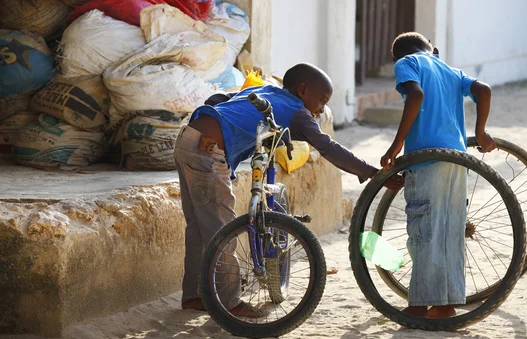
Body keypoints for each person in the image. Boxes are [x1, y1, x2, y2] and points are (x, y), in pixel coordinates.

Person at [175, 62, 403, 316]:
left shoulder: (266, 91)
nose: (320, 110)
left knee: (198, 225)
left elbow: (219, 98)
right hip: (208, 151)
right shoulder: (297, 111)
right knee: (221, 227)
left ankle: (195, 296)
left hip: (189, 138)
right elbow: (327, 147)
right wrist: (371, 172)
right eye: (321, 101)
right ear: (303, 90)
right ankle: (229, 303)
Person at [380, 32, 496, 319]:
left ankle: (419, 305)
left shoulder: (406, 63)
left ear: (398, 57)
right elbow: (484, 90)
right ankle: (446, 304)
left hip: (426, 159)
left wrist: (396, 146)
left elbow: (416, 95)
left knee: (424, 231)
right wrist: (480, 132)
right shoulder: (449, 69)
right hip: (457, 160)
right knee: (450, 231)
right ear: (434, 50)